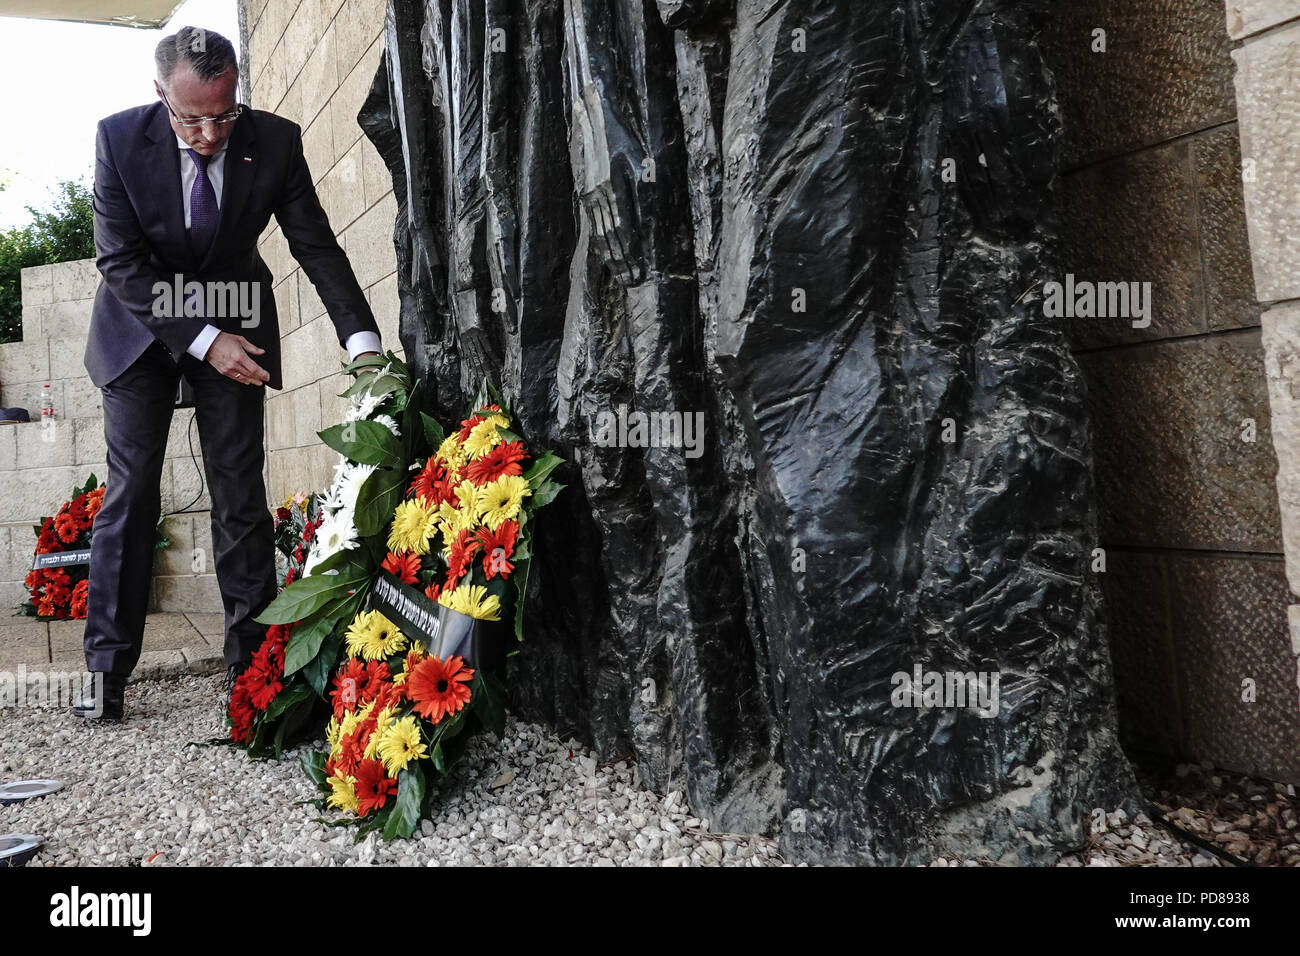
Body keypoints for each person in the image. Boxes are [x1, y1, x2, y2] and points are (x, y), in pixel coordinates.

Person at [72, 26, 381, 721]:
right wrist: (205, 340)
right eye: (191, 118)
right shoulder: (119, 139)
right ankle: (104, 674)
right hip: (137, 330)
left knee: (240, 492)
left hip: (236, 318)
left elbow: (316, 244)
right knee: (131, 495)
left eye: (224, 112)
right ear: (160, 97)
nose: (211, 134)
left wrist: (361, 340)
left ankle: (252, 673)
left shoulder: (275, 139)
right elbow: (120, 264)